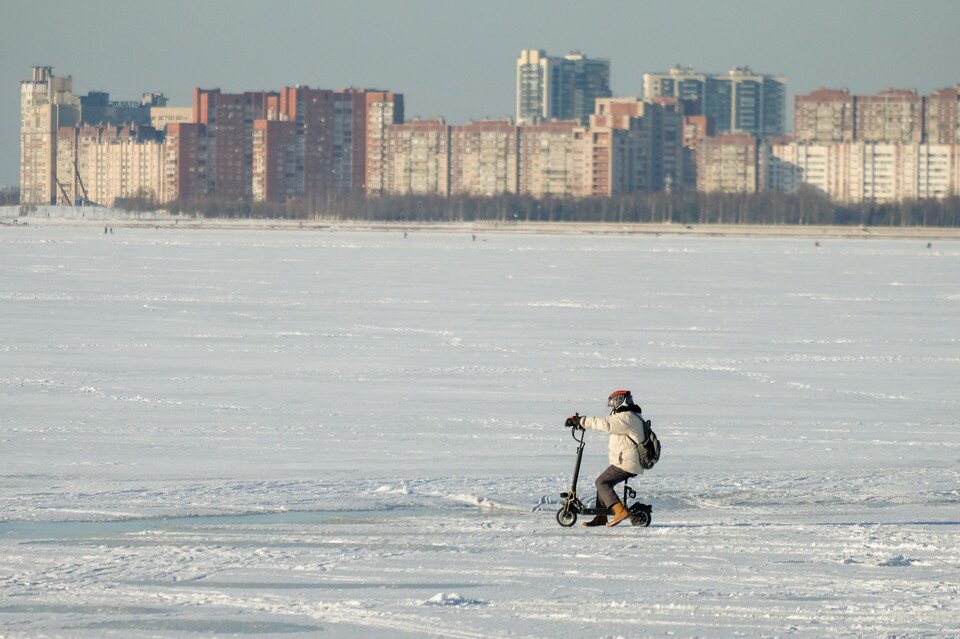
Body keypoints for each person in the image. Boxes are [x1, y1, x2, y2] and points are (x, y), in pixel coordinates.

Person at [566, 390, 651, 527]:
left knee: (602, 482)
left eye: (615, 401)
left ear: (621, 401)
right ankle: (601, 517)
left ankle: (620, 510)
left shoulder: (626, 417)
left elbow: (604, 423)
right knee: (603, 481)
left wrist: (580, 421)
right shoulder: (629, 416)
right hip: (626, 461)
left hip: (627, 462)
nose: (613, 405)